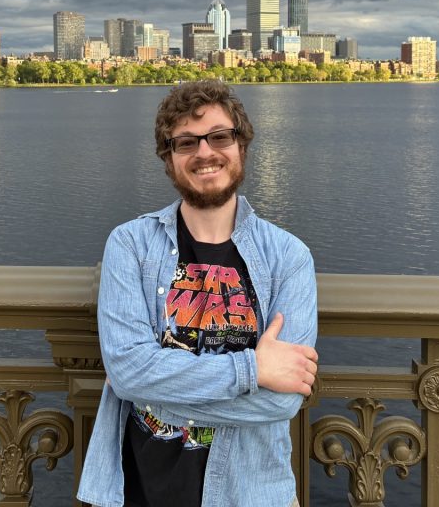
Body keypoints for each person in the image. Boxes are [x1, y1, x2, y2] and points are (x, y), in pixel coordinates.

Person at [78, 79, 318, 507]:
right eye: (186, 142)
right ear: (169, 159)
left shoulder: (288, 257)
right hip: (138, 490)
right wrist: (252, 371)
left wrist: (152, 396)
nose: (205, 152)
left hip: (250, 493)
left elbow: (282, 402)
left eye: (219, 137)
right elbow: (129, 370)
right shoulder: (130, 244)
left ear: (240, 146)